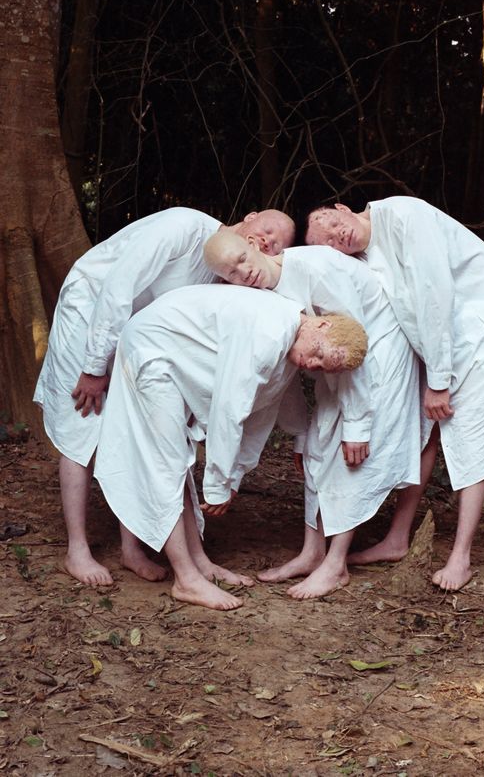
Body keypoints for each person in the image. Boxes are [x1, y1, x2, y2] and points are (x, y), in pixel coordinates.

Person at [34, 206, 295, 587]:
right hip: (93, 307)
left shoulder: (230, 273)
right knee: (84, 423)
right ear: (251, 217)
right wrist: (94, 366)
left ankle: (131, 548)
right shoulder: (183, 227)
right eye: (269, 229)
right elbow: (119, 285)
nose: (268, 242)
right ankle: (78, 549)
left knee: (134, 426)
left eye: (277, 245)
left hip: (139, 334)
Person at [305, 197, 484, 591]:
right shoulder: (366, 257)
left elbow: (434, 295)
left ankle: (460, 558)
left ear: (342, 208)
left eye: (330, 225)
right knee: (422, 426)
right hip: (436, 338)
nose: (335, 238)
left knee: (472, 433)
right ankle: (397, 538)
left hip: (479, 320)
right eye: (326, 243)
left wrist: (439, 382)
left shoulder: (403, 215)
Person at [93, 284, 368, 610]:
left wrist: (233, 476)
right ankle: (186, 579)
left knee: (178, 460)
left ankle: (199, 562)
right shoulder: (269, 333)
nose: (312, 365)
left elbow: (260, 412)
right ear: (321, 324)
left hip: (172, 353)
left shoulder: (289, 341)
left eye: (321, 367)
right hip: (151, 348)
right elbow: (229, 410)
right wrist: (219, 484)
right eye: (319, 355)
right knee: (165, 462)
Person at [203, 231, 422, 599]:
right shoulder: (264, 296)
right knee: (318, 446)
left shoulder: (315, 267)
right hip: (328, 361)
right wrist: (300, 432)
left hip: (373, 354)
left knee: (348, 454)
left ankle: (336, 565)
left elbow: (351, 341)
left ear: (255, 244)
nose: (244, 273)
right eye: (232, 273)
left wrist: (357, 424)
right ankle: (313, 552)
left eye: (242, 259)